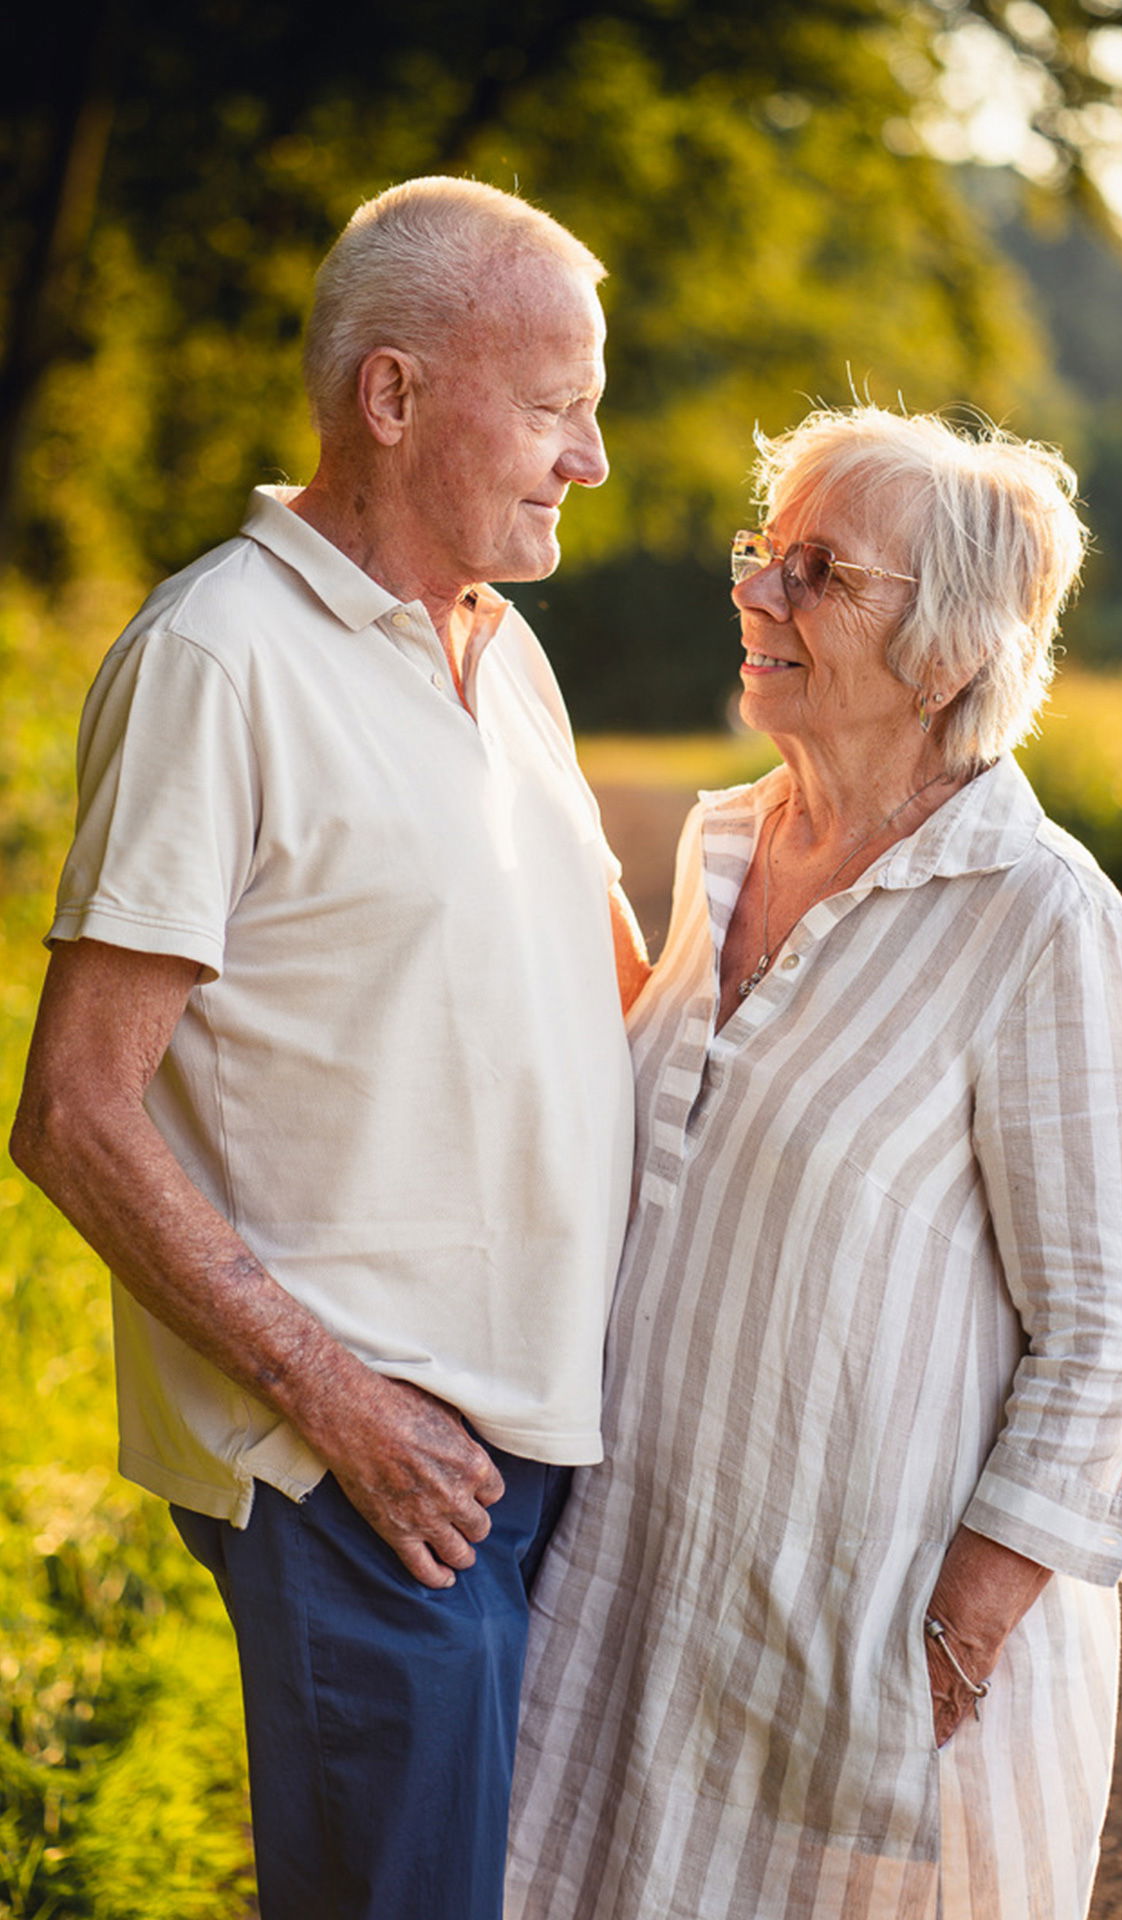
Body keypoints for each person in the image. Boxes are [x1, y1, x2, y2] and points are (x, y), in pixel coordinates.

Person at [10, 175, 647, 1920]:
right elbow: (72, 1112)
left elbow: (612, 993)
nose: (590, 458)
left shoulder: (506, 655)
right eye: (553, 406)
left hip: (526, 1443)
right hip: (362, 1470)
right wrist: (336, 1402)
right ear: (392, 394)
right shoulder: (217, 658)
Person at [505, 404, 1122, 1920]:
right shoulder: (726, 846)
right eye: (763, 551)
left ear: (947, 647)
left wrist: (952, 1641)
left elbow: (1110, 1337)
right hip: (640, 1594)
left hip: (871, 1644)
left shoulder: (1041, 923)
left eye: (816, 569)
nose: (756, 590)